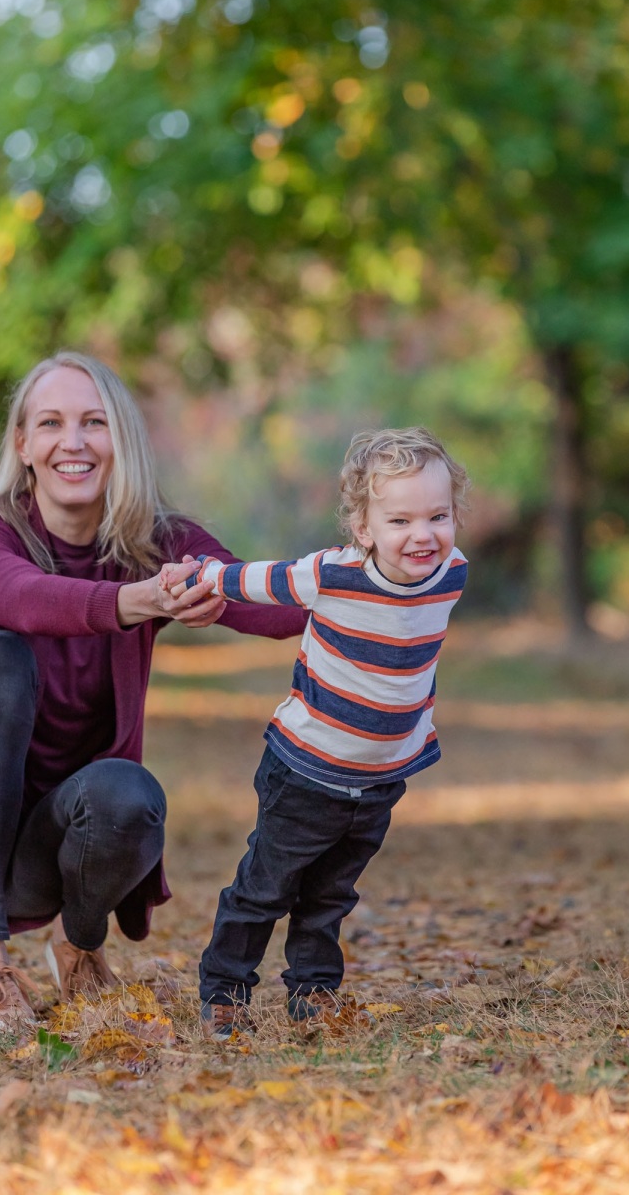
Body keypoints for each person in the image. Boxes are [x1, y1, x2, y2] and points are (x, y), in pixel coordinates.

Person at [0, 351, 306, 1032]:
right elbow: (24, 598)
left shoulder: (154, 543)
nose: (72, 442)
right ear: (23, 445)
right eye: (50, 423)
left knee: (129, 796)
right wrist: (136, 600)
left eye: (94, 422)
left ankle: (78, 949)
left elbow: (273, 604)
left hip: (55, 846)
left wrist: (380, 571)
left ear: (122, 439)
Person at [163, 426, 469, 1040]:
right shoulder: (331, 575)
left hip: (382, 777)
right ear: (364, 529)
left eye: (438, 515)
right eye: (400, 520)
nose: (422, 535)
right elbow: (254, 580)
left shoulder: (452, 573)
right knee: (266, 887)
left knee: (332, 894)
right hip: (305, 768)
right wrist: (200, 575)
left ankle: (314, 992)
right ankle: (225, 988)